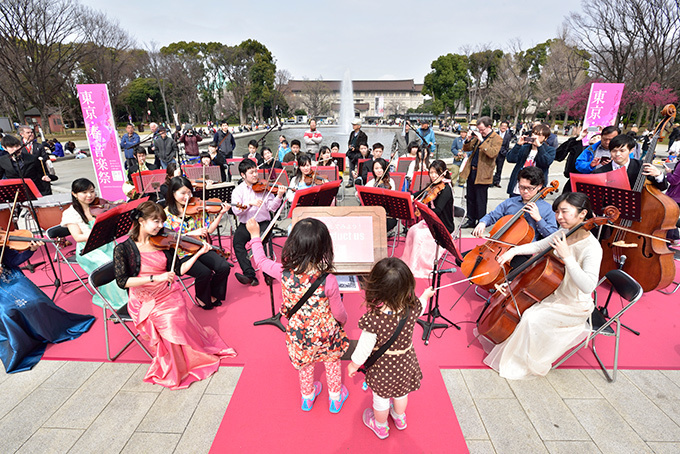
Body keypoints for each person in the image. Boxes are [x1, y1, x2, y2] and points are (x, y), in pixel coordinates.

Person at [113, 201, 236, 389]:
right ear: (141, 221)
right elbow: (123, 282)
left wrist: (197, 253)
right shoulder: (123, 249)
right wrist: (157, 277)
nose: (161, 226)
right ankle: (177, 366)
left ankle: (188, 357)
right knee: (170, 320)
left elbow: (178, 271)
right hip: (144, 299)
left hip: (166, 293)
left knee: (178, 310)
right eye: (155, 221)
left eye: (161, 221)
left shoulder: (165, 243)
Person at [480, 192, 603, 380]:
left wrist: (568, 257)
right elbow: (539, 246)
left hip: (574, 304)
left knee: (530, 318)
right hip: (554, 293)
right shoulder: (564, 233)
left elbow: (588, 286)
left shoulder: (592, 248)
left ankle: (524, 363)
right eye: (557, 212)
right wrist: (513, 251)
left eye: (564, 212)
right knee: (522, 312)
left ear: (582, 214)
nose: (559, 217)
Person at [246, 216, 349, 412]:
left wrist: (255, 236)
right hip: (325, 332)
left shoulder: (282, 272)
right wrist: (342, 322)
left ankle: (307, 397)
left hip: (298, 332)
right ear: (324, 248)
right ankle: (335, 398)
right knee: (332, 360)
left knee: (304, 363)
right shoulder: (328, 280)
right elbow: (339, 313)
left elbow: (260, 261)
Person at [347, 258, 435, 439]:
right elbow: (422, 305)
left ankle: (380, 426)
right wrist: (425, 296)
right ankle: (399, 417)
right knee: (402, 393)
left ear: (376, 288)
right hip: (405, 362)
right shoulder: (412, 308)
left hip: (383, 368)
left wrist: (353, 365)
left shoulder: (374, 320)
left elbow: (364, 349)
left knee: (380, 399)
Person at [0, 241, 94, 373]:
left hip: (10, 278)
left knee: (36, 300)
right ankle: (21, 345)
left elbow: (14, 259)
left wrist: (31, 250)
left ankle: (51, 329)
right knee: (6, 312)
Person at [163, 177, 232, 309]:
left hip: (201, 247)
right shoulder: (167, 215)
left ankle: (213, 292)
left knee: (223, 267)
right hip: (182, 253)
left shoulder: (196, 208)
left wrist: (221, 214)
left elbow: (209, 229)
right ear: (173, 193)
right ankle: (201, 297)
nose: (187, 196)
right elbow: (168, 238)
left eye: (189, 192)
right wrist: (190, 234)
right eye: (183, 193)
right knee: (204, 272)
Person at [61, 178, 129, 309]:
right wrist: (99, 232)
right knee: (110, 264)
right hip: (88, 250)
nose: (89, 195)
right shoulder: (70, 213)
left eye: (92, 191)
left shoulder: (100, 205)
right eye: (84, 192)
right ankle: (120, 300)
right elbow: (77, 237)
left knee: (126, 257)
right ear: (74, 194)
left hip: (107, 244)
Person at [473, 166, 559, 268]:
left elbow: (553, 235)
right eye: (522, 187)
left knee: (499, 268)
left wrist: (539, 219)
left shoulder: (547, 209)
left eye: (530, 188)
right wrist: (483, 223)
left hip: (525, 252)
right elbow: (493, 215)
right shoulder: (510, 202)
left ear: (539, 186)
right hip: (499, 246)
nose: (525, 191)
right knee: (464, 260)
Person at [231, 159, 285, 286]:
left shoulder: (265, 187)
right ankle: (249, 274)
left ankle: (268, 273)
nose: (255, 175)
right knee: (237, 243)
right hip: (247, 224)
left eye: (256, 171)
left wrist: (279, 196)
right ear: (243, 175)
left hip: (263, 223)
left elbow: (272, 208)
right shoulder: (238, 191)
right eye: (251, 172)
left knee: (261, 241)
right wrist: (249, 204)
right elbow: (236, 211)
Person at [401, 160, 454, 278]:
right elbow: (422, 192)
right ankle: (408, 261)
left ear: (444, 173)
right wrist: (412, 196)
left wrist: (423, 210)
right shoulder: (434, 185)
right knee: (412, 230)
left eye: (437, 172)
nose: (433, 175)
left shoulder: (446, 189)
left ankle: (417, 267)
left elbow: (438, 210)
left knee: (420, 235)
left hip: (443, 225)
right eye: (431, 172)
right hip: (432, 221)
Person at [460, 117, 500, 229]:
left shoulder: (496, 138)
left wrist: (482, 140)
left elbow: (492, 153)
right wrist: (468, 139)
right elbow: (466, 148)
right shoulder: (478, 137)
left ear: (489, 127)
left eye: (482, 129)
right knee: (470, 197)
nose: (480, 132)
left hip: (483, 172)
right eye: (479, 129)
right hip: (472, 171)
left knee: (481, 199)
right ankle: (471, 219)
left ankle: (481, 221)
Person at [592, 133, 668, 190]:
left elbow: (662, 187)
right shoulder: (600, 172)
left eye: (622, 151)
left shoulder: (642, 166)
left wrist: (658, 175)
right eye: (614, 151)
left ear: (631, 150)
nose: (617, 154)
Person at [505, 123, 556, 196]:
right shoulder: (524, 147)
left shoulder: (549, 150)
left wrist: (539, 147)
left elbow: (545, 162)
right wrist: (518, 145)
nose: (535, 137)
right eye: (534, 134)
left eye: (539, 135)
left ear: (545, 138)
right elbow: (510, 159)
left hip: (535, 187)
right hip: (518, 186)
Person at [555, 127, 588, 194]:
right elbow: (558, 156)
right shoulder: (577, 143)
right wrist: (578, 138)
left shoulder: (601, 148)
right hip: (573, 179)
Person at [346, 119, 368, 188]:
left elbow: (363, 146)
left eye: (355, 125)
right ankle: (350, 181)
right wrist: (350, 146)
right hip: (351, 153)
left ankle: (359, 181)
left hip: (358, 154)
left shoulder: (363, 135)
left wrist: (355, 148)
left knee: (359, 168)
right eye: (353, 125)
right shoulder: (352, 133)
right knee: (351, 168)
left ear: (359, 126)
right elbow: (349, 141)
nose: (353, 126)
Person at [492, 121, 515, 188]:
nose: (503, 127)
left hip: (501, 154)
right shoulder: (495, 134)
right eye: (502, 126)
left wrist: (505, 152)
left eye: (505, 126)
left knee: (499, 169)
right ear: (500, 126)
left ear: (507, 128)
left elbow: (507, 146)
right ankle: (490, 181)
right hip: (494, 153)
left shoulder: (508, 136)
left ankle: (497, 182)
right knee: (491, 168)